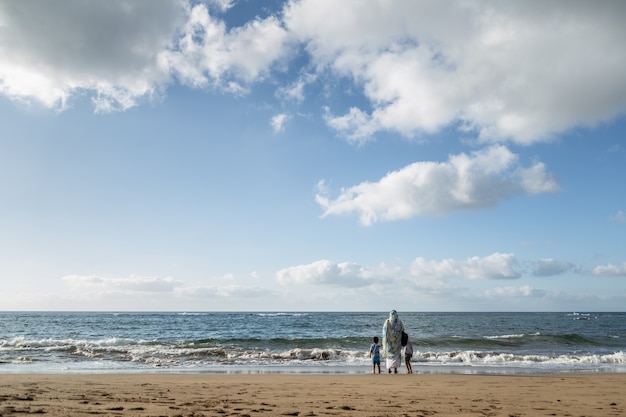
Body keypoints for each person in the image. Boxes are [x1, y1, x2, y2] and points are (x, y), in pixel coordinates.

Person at [382, 310, 404, 374]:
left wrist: (387, 339)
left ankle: (388, 369)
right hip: (397, 344)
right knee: (396, 356)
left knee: (389, 356)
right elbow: (401, 331)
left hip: (389, 344)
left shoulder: (387, 322)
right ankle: (395, 369)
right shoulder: (399, 322)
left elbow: (384, 332)